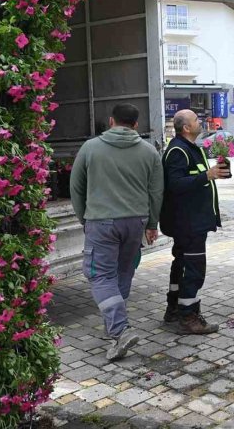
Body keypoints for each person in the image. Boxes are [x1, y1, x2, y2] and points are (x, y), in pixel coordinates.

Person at [70, 103, 164, 360]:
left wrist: (84, 218)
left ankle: (120, 330)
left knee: (100, 275)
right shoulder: (149, 151)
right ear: (136, 125)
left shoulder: (90, 148)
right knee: (123, 271)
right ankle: (114, 324)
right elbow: (156, 192)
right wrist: (152, 224)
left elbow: (76, 188)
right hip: (135, 221)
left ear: (111, 121)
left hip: (101, 221)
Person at [160, 109, 229, 334]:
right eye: (196, 120)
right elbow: (175, 184)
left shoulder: (192, 148)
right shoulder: (178, 151)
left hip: (192, 221)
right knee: (193, 268)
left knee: (182, 264)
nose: (201, 122)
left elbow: (196, 179)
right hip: (188, 223)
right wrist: (206, 175)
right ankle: (188, 316)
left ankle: (173, 309)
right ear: (186, 128)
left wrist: (214, 174)